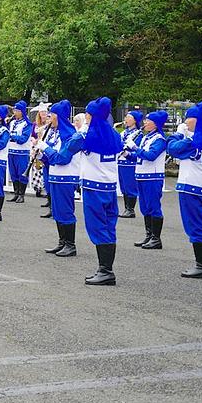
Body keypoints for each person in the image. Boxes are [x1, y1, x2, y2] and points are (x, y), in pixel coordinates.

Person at [167, 101, 202, 279]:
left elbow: (173, 149)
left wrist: (178, 133)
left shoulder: (193, 139)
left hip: (192, 187)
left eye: (188, 118)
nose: (186, 121)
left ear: (196, 120)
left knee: (196, 226)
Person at [76, 97, 123, 286]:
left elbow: (68, 149)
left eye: (88, 113)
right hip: (110, 186)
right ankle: (106, 269)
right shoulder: (113, 133)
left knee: (97, 227)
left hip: (93, 186)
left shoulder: (89, 135)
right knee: (109, 227)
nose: (85, 116)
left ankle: (105, 271)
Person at [40, 100, 82, 259]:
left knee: (65, 211)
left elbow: (63, 158)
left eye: (52, 114)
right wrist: (40, 155)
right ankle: (62, 241)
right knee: (57, 211)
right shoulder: (55, 133)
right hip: (55, 176)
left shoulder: (70, 135)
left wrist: (44, 147)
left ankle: (70, 245)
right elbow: (51, 158)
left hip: (66, 177)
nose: (49, 117)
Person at [128, 110, 169, 249]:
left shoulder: (159, 139)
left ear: (156, 124)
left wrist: (134, 147)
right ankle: (149, 235)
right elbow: (139, 157)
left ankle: (156, 238)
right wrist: (127, 153)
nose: (145, 123)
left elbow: (151, 156)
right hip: (142, 176)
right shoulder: (147, 138)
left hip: (153, 177)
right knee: (145, 207)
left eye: (148, 121)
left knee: (153, 207)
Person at [6, 100, 33, 203]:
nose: (14, 112)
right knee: (13, 173)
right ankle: (16, 193)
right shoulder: (12, 122)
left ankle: (21, 194)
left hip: (22, 152)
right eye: (14, 110)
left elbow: (23, 139)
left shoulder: (27, 124)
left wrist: (12, 136)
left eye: (17, 110)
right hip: (11, 151)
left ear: (22, 111)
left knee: (22, 173)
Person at [118, 110, 143, 218]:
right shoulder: (123, 132)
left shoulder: (138, 134)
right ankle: (126, 208)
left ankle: (130, 209)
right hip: (121, 161)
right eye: (126, 117)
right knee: (123, 185)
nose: (126, 119)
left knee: (130, 185)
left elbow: (136, 147)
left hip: (130, 162)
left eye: (129, 117)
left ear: (135, 120)